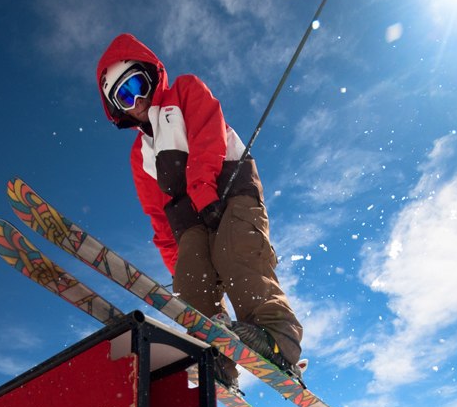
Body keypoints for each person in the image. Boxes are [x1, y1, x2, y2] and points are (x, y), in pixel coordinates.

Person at [96, 33, 303, 389]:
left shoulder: (185, 91)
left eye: (137, 85)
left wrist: (205, 193)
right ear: (118, 109)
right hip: (190, 219)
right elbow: (158, 216)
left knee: (236, 254)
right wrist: (175, 261)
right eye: (125, 96)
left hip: (229, 190)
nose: (138, 100)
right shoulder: (139, 154)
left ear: (151, 76)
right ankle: (218, 355)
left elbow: (210, 136)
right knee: (190, 279)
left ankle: (277, 342)